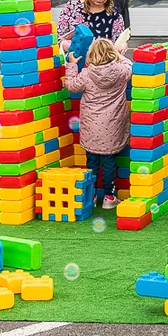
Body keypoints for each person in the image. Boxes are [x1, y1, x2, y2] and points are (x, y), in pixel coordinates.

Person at [64, 38, 133, 210]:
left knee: (92, 161)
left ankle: (92, 195)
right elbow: (130, 66)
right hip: (113, 124)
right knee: (110, 161)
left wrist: (72, 65)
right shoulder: (120, 70)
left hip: (91, 125)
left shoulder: (87, 74)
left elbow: (71, 86)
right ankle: (109, 196)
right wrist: (119, 54)